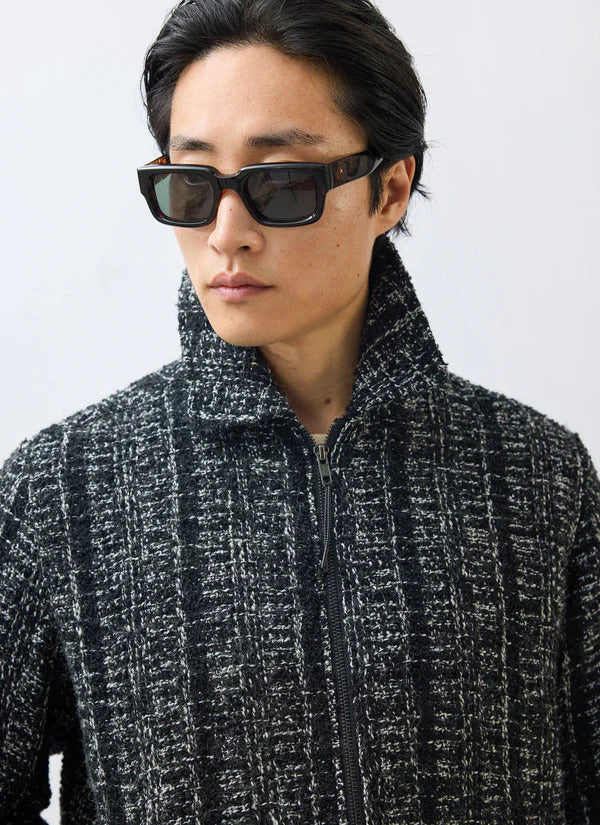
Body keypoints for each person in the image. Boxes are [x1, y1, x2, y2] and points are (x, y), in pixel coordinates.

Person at [1, 0, 598, 823]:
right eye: (192, 183)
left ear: (391, 188)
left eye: (281, 183)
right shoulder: (64, 489)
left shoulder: (535, 476)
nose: (227, 233)